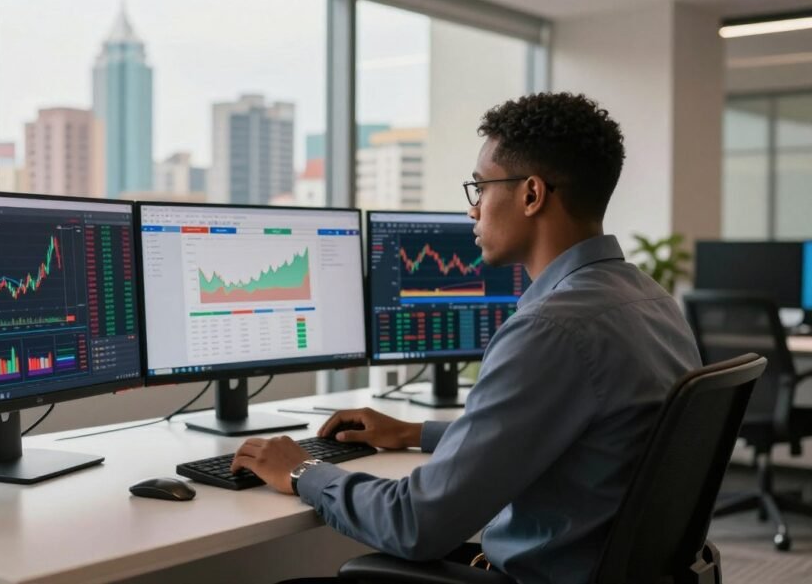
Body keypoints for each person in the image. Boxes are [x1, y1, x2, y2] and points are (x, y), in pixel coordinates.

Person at [230, 92, 702, 583]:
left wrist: (304, 472)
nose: (474, 211)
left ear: (531, 194)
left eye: (480, 188)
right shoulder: (652, 302)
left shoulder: (552, 329)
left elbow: (415, 524)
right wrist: (415, 433)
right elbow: (572, 435)